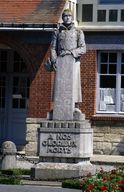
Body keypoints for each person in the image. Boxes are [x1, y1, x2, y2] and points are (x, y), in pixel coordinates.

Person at [50, 9, 86, 120]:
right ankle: (58, 107)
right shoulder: (57, 32)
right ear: (62, 17)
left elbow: (83, 48)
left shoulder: (78, 32)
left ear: (72, 17)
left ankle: (75, 106)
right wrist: (54, 60)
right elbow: (53, 48)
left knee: (74, 84)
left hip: (73, 61)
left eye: (69, 16)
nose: (67, 18)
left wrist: (71, 53)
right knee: (60, 84)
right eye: (65, 16)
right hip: (61, 61)